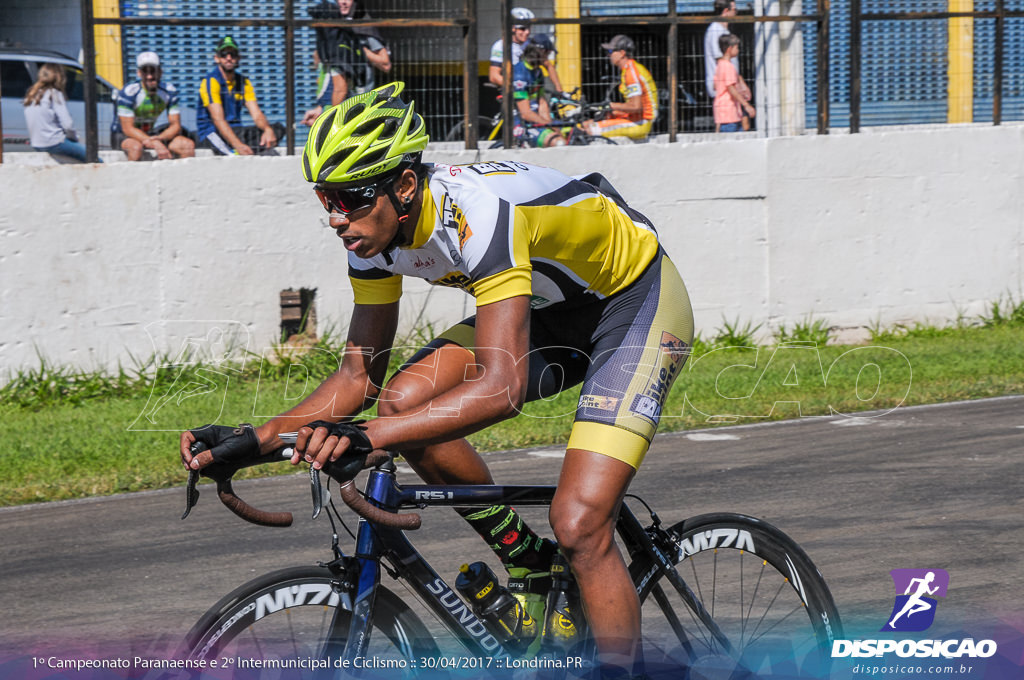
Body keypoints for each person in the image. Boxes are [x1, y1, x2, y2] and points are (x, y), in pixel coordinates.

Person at [180, 82, 694, 679]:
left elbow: (503, 386)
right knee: (403, 399)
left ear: (402, 186)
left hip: (632, 302)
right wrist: (258, 439)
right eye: (325, 198)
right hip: (551, 309)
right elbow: (358, 376)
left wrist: (370, 437)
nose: (334, 218)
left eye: (349, 198)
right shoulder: (372, 236)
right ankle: (525, 559)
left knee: (580, 523)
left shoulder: (474, 214)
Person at [196, 36, 287, 156]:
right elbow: (218, 120)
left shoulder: (243, 82)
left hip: (236, 130)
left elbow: (256, 114)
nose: (229, 58)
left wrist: (267, 129)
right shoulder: (211, 81)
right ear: (217, 58)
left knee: (278, 129)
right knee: (232, 154)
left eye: (232, 54)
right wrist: (237, 145)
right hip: (213, 132)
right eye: (224, 54)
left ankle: (250, 150)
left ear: (238, 58)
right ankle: (243, 151)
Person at [305, 0, 391, 122]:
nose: (343, 2)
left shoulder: (364, 28)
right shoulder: (332, 34)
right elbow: (329, 78)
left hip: (361, 103)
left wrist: (360, 50)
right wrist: (321, 108)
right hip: (339, 106)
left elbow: (385, 64)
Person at [111, 51, 195, 161]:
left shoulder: (169, 91)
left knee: (186, 145)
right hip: (122, 135)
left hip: (150, 133)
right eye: (145, 71)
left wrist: (160, 138)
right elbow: (128, 128)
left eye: (153, 71)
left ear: (160, 72)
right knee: (136, 148)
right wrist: (155, 143)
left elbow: (175, 125)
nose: (150, 76)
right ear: (139, 73)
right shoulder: (129, 92)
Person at [584, 35, 657, 141]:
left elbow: (636, 106)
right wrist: (612, 113)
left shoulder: (631, 72)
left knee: (591, 129)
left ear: (622, 53)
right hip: (637, 119)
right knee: (587, 124)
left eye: (610, 51)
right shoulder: (629, 69)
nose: (608, 55)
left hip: (641, 123)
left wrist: (611, 106)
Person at [22, 63, 97, 163]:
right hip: (55, 143)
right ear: (60, 77)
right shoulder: (54, 94)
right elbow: (68, 125)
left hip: (37, 144)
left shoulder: (31, 94)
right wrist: (74, 138)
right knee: (94, 158)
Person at [704, 0, 751, 127]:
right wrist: (739, 83)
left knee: (739, 122)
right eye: (734, 10)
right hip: (725, 87)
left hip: (728, 85)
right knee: (732, 122)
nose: (736, 13)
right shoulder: (716, 31)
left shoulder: (722, 31)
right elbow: (721, 62)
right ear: (726, 11)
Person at [511, 42, 567, 147]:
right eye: (546, 55)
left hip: (539, 121)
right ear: (539, 54)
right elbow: (525, 113)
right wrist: (549, 125)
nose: (547, 59)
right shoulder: (520, 74)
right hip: (522, 124)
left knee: (576, 131)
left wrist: (550, 125)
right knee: (558, 142)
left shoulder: (538, 71)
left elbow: (542, 103)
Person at [713, 34, 755, 132]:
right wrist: (746, 105)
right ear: (729, 49)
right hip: (729, 113)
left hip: (722, 111)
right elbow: (731, 88)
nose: (738, 50)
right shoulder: (728, 67)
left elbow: (715, 86)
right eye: (737, 47)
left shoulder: (719, 65)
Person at [488, 6, 534, 88]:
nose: (527, 32)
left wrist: (560, 91)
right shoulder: (500, 46)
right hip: (513, 90)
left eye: (529, 28)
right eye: (522, 29)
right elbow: (493, 76)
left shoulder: (531, 44)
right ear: (512, 28)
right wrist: (516, 86)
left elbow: (548, 65)